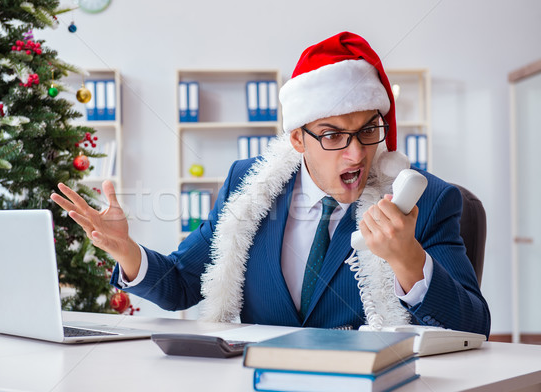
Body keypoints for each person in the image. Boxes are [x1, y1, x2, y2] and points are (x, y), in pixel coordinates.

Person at [51, 31, 490, 336]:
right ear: (297, 137)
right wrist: (129, 253)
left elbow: (475, 326)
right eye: (333, 135)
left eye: (367, 131)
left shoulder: (428, 201)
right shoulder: (249, 184)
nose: (356, 154)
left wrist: (410, 262)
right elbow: (184, 283)